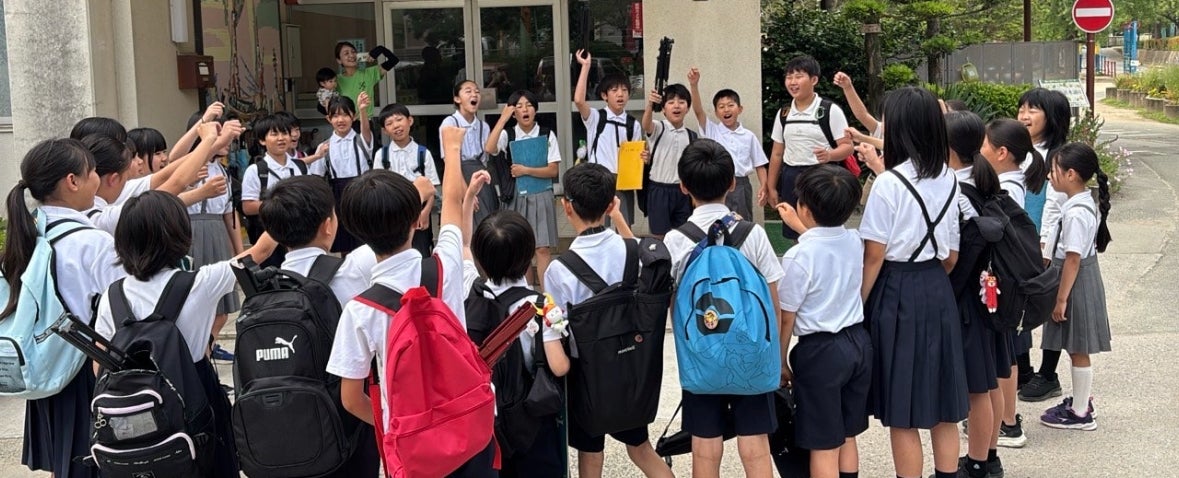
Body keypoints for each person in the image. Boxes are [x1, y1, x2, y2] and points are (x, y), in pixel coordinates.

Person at [328, 126, 496, 475]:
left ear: (355, 231)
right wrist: (452, 148)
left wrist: (395, 426)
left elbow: (351, 399)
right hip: (470, 431)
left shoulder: (359, 310)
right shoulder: (443, 267)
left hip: (413, 450)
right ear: (417, 221)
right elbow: (452, 205)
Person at [94, 191, 278, 478]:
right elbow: (260, 252)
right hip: (195, 389)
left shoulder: (112, 295)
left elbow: (99, 363)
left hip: (133, 404)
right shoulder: (200, 283)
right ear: (179, 234)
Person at [856, 87, 968, 478]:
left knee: (903, 409)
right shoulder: (949, 178)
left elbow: (873, 256)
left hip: (896, 289)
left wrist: (858, 305)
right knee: (942, 404)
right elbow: (951, 255)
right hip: (937, 286)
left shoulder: (888, 183)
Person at [662, 139, 784, 478]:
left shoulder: (676, 240)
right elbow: (773, 302)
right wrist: (775, 356)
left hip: (701, 356)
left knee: (704, 446)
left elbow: (672, 304)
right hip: (751, 354)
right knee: (755, 446)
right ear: (732, 183)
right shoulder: (753, 234)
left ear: (683, 186)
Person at [543, 163, 673, 478]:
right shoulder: (632, 250)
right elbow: (643, 267)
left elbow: (557, 329)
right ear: (611, 204)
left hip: (588, 378)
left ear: (567, 207)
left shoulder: (559, 270)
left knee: (590, 456)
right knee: (641, 450)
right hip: (631, 369)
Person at [7, 139, 121, 478]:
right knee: (93, 462)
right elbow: (121, 308)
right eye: (93, 172)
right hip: (87, 369)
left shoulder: (27, 233)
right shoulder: (94, 242)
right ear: (72, 181)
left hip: (46, 364)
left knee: (64, 464)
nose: (97, 179)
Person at [256, 176, 380, 475]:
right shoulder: (352, 272)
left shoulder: (264, 289)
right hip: (346, 424)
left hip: (284, 429)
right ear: (328, 225)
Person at [775, 164, 870, 478]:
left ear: (804, 208)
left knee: (823, 443)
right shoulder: (855, 240)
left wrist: (780, 361)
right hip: (857, 343)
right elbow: (827, 243)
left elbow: (787, 317)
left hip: (820, 353)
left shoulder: (799, 256)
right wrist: (802, 226)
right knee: (847, 434)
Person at [465, 205, 568, 477]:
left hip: (487, 419)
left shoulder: (472, 296)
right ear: (528, 255)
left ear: (480, 258)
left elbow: (462, 249)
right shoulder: (539, 305)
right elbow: (558, 366)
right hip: (531, 419)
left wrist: (467, 202)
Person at [945, 111, 1010, 477]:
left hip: (969, 300)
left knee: (976, 389)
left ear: (947, 149)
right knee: (989, 381)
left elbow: (953, 256)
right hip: (990, 295)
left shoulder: (954, 191)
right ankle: (990, 455)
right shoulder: (984, 180)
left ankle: (977, 464)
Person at [980, 117, 1048, 449]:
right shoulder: (1012, 180)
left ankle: (1008, 422)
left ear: (1002, 152)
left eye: (984, 145)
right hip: (1011, 278)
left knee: (1005, 353)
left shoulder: (1007, 187)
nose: (979, 151)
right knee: (1007, 352)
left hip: (1006, 281)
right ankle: (1005, 418)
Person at [1037, 142, 1112, 431]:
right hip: (1076, 279)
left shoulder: (1076, 212)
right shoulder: (1079, 203)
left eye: (1053, 170)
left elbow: (1072, 258)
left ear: (1071, 174)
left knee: (1078, 346)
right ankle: (1081, 400)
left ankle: (1080, 412)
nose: (1049, 176)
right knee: (1075, 346)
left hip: (1074, 283)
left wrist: (1061, 299)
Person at [1018, 88, 1074, 404]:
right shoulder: (1019, 150)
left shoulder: (1058, 157)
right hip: (1019, 241)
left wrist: (1045, 247)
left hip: (1046, 244)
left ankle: (1048, 373)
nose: (1024, 115)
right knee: (1019, 304)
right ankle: (1023, 368)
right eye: (1022, 109)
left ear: (1051, 118)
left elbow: (1054, 207)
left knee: (1053, 308)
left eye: (1032, 110)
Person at [766, 55, 854, 245]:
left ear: (814, 80)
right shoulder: (784, 113)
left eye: (798, 76)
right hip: (791, 177)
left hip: (822, 178)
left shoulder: (829, 110)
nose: (792, 82)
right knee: (794, 231)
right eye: (789, 77)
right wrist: (771, 187)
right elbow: (777, 153)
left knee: (824, 228)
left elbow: (848, 147)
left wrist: (830, 155)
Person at [484, 90, 561, 287]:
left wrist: (526, 170)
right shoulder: (508, 134)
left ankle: (547, 294)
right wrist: (502, 119)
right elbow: (489, 148)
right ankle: (527, 293)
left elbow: (553, 170)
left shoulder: (546, 134)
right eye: (519, 106)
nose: (525, 110)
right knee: (521, 248)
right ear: (513, 112)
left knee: (542, 248)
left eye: (529, 105)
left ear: (535, 109)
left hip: (541, 193)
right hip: (516, 195)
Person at [687, 68, 768, 221]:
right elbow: (698, 111)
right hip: (716, 183)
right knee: (717, 223)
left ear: (740, 109)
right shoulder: (711, 130)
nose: (726, 109)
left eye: (730, 105)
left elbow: (760, 165)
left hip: (741, 186)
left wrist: (764, 186)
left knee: (742, 222)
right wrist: (694, 85)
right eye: (721, 106)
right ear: (716, 112)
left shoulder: (748, 136)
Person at [573, 49, 643, 226]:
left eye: (624, 90)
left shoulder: (633, 124)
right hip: (599, 180)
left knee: (624, 227)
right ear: (604, 95)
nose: (620, 94)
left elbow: (636, 155)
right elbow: (579, 101)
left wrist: (644, 157)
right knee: (599, 226)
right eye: (614, 90)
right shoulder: (596, 117)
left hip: (624, 181)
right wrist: (586, 66)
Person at [305, 94, 373, 254]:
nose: (340, 120)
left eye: (345, 115)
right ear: (328, 119)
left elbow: (366, 130)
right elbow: (316, 177)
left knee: (366, 240)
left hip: (362, 192)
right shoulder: (324, 146)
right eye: (335, 116)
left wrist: (363, 110)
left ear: (353, 117)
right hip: (338, 194)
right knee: (345, 242)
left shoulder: (361, 140)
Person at [241, 113, 309, 268]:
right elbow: (248, 206)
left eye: (284, 133)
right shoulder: (256, 170)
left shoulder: (300, 167)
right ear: (262, 140)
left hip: (300, 235)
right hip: (269, 236)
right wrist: (282, 205)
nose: (281, 138)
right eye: (274, 134)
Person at [376, 103, 440, 256]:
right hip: (392, 211)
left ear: (410, 121)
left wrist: (425, 213)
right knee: (394, 252)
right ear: (384, 130)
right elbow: (377, 189)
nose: (396, 126)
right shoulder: (382, 155)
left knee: (420, 251)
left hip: (419, 211)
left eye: (399, 120)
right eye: (389, 123)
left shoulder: (423, 153)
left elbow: (432, 188)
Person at [640, 83, 696, 237]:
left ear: (688, 108)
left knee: (683, 235)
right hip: (658, 190)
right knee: (659, 236)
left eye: (681, 102)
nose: (676, 106)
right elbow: (646, 124)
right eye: (671, 102)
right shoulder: (658, 128)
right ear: (663, 109)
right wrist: (650, 105)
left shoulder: (691, 136)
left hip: (683, 191)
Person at [442, 80, 497, 227]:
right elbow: (449, 162)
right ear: (457, 98)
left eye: (477, 91)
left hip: (480, 178)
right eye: (468, 91)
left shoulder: (483, 126)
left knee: (487, 224)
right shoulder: (450, 123)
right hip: (459, 178)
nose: (474, 94)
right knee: (465, 224)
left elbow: (485, 159)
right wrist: (467, 192)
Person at [334, 41, 397, 118]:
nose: (351, 55)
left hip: (366, 121)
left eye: (353, 52)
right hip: (345, 122)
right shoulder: (336, 80)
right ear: (339, 60)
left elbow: (394, 60)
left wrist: (381, 49)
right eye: (346, 53)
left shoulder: (369, 74)